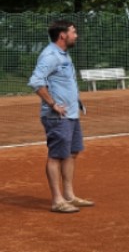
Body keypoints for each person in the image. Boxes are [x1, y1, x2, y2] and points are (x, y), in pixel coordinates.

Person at [28, 19, 94, 214]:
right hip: (57, 116)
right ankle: (57, 200)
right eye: (73, 32)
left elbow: (64, 83)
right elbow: (35, 81)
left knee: (72, 153)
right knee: (56, 156)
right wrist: (52, 104)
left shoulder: (63, 55)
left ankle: (69, 195)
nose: (76, 35)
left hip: (71, 114)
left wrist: (77, 100)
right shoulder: (50, 56)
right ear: (63, 35)